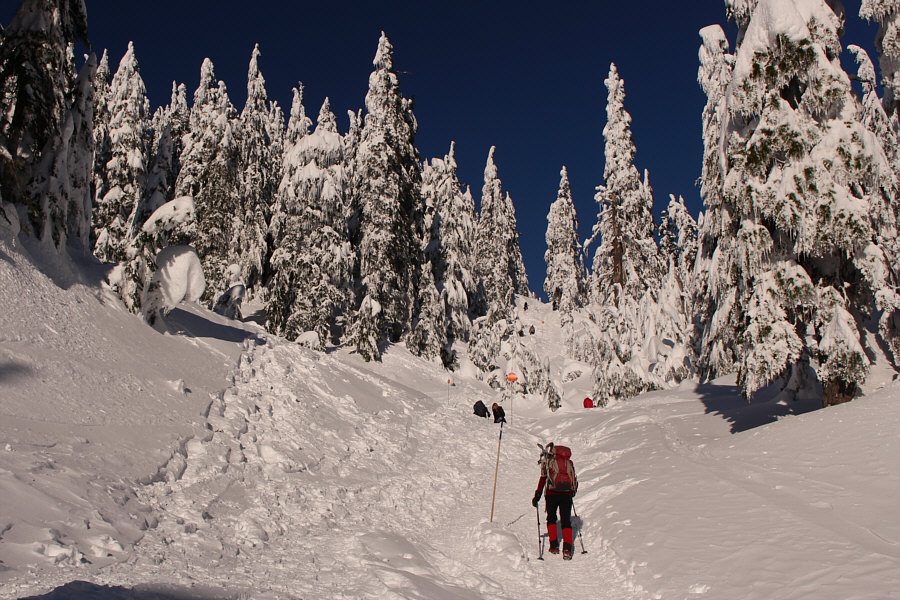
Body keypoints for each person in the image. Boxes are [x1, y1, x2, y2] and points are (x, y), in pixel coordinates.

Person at [532, 443, 578, 559]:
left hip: (551, 494)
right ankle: (567, 549)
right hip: (567, 494)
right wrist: (572, 492)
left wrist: (537, 494)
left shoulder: (549, 461)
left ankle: (554, 546)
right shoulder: (569, 463)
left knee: (551, 518)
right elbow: (573, 478)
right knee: (566, 521)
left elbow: (543, 478)